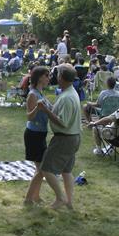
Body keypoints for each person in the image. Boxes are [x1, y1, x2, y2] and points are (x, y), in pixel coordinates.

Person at [37, 64, 81, 209]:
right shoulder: (69, 92)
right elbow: (61, 113)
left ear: (61, 77)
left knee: (46, 168)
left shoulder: (68, 97)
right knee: (66, 171)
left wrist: (45, 110)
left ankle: (60, 198)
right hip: (72, 137)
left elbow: (63, 122)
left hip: (65, 138)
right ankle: (69, 202)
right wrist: (49, 106)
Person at [23, 66, 51, 205]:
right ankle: (28, 198)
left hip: (41, 133)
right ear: (40, 77)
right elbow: (29, 116)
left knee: (39, 169)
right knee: (41, 169)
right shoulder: (32, 94)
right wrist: (37, 108)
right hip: (33, 134)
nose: (49, 78)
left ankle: (36, 196)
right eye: (47, 76)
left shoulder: (41, 93)